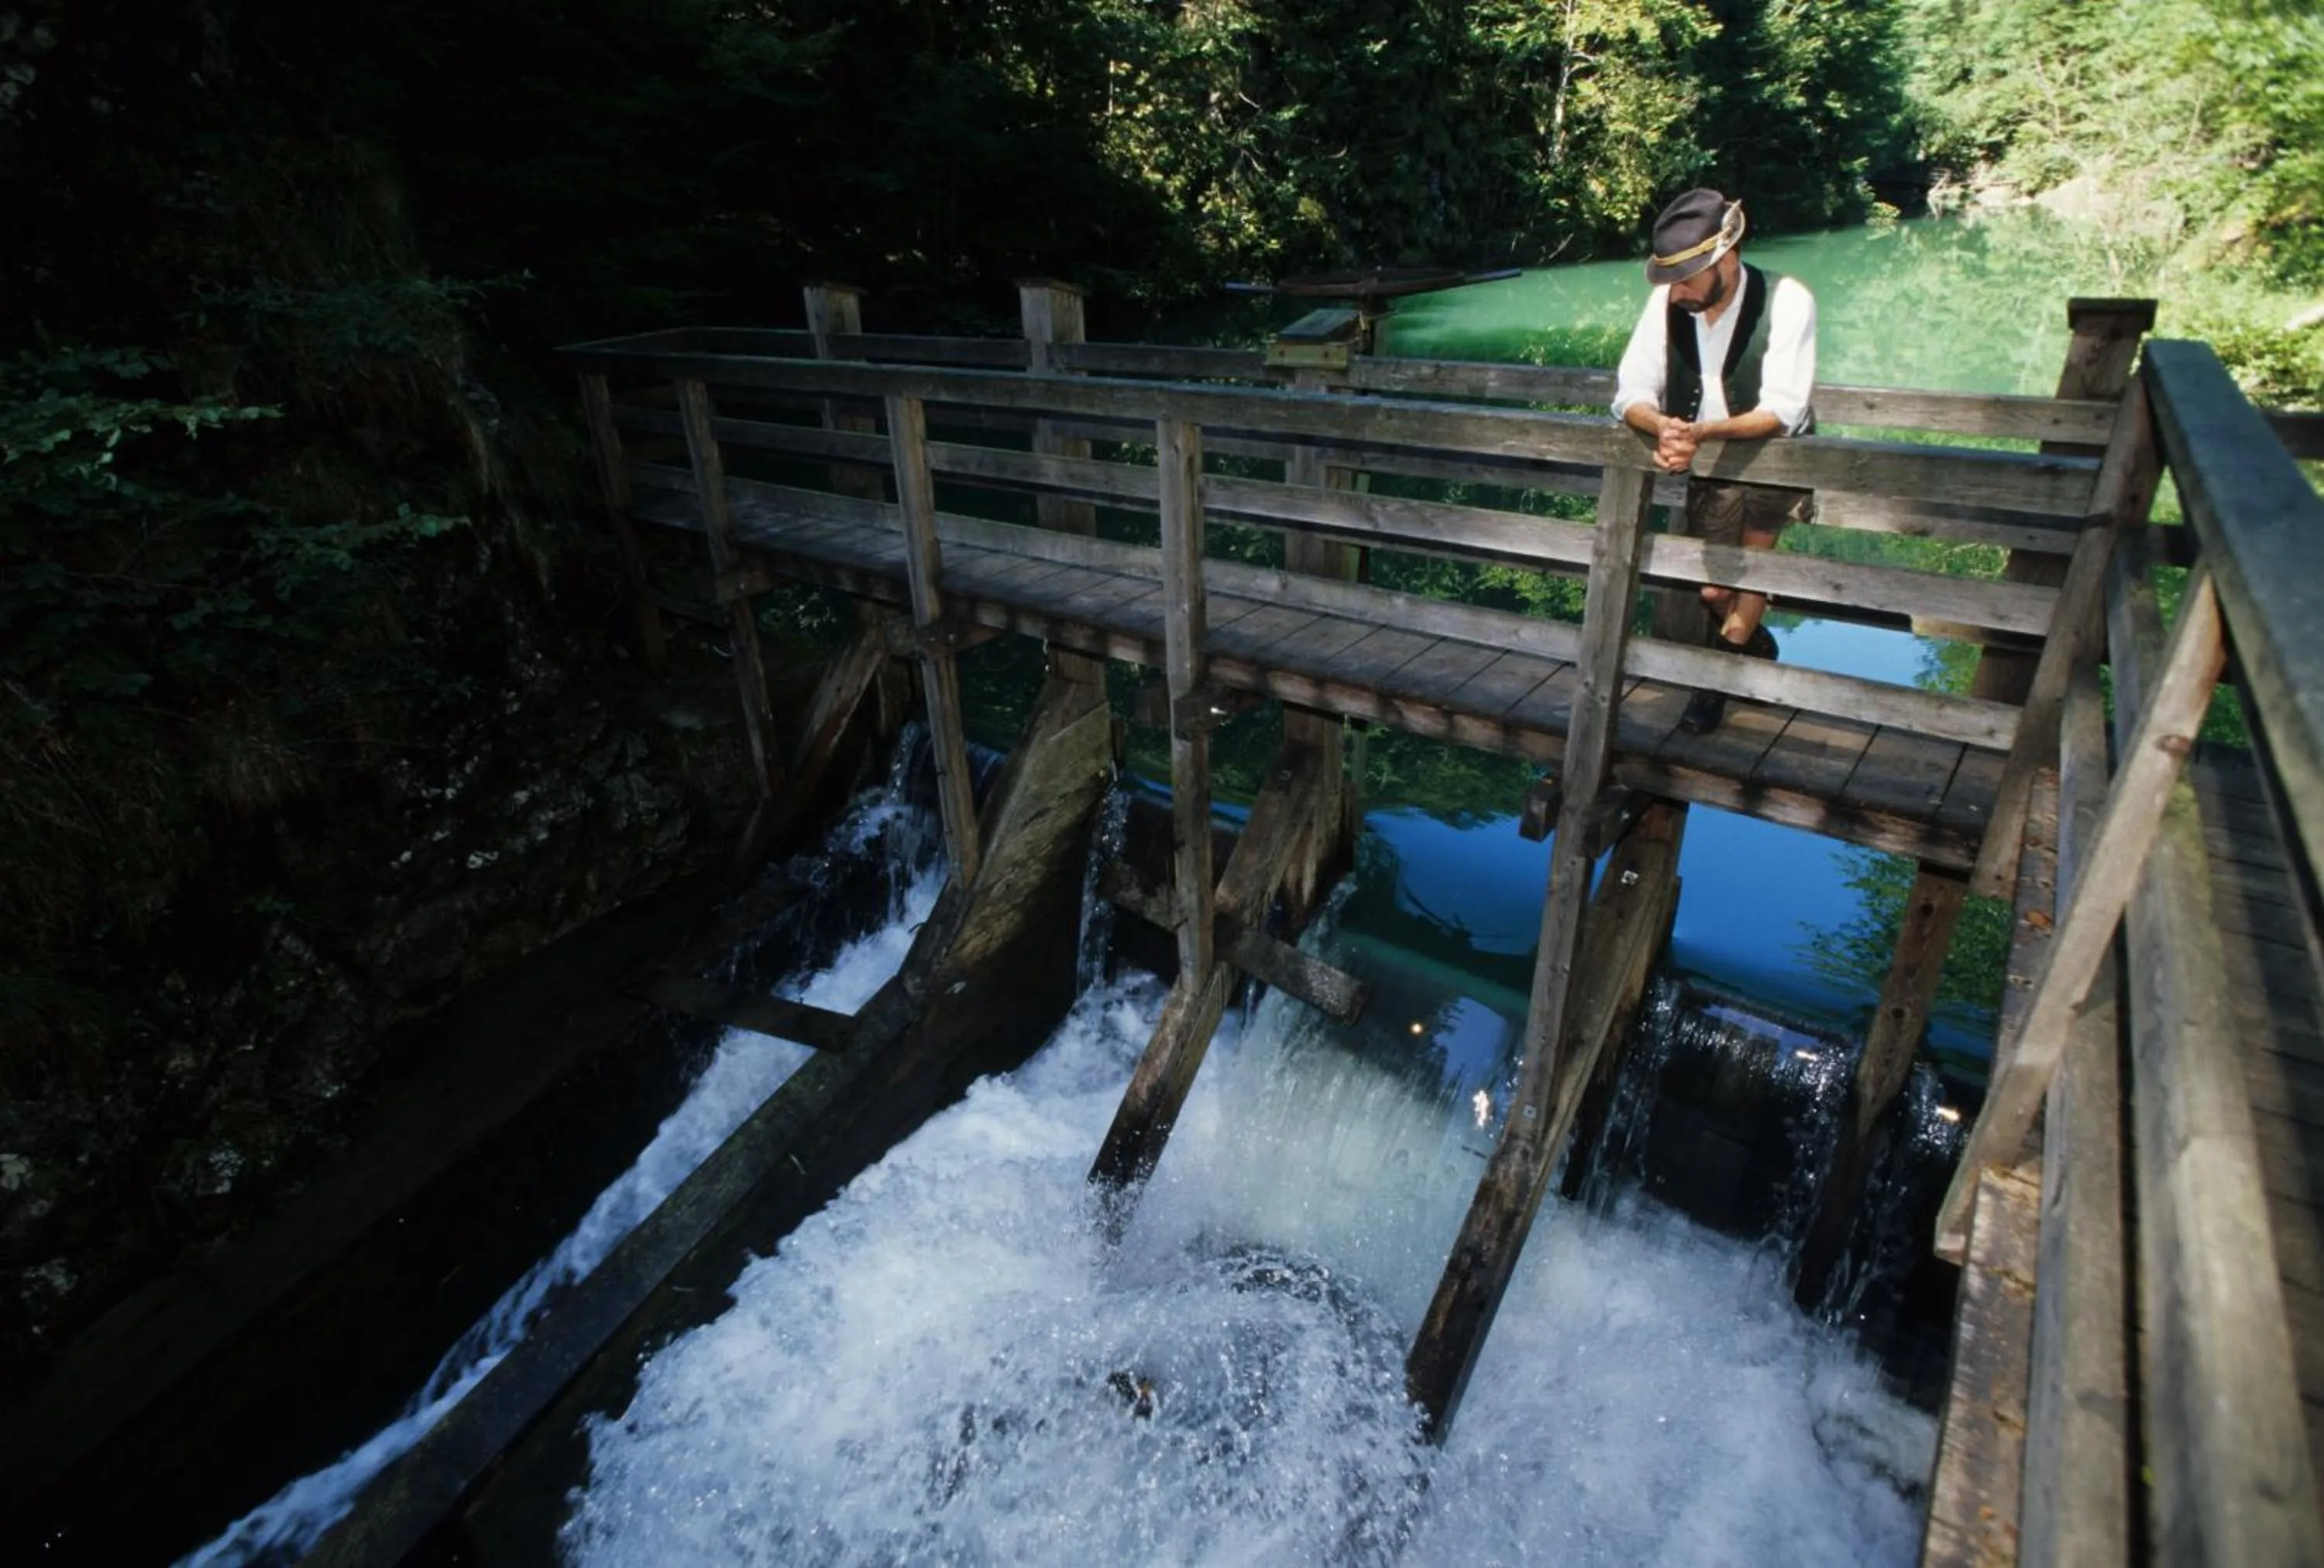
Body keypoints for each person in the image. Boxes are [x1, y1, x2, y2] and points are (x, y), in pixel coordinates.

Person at [1611, 187, 1817, 734]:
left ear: (1726, 259)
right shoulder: (1668, 302)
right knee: (1713, 590)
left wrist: (1699, 432)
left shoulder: (1788, 299)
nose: (1676, 292)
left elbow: (1784, 410)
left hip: (1775, 456)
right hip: (1709, 461)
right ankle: (1752, 641)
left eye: (1688, 278)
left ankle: (1714, 684)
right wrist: (1662, 426)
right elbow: (1630, 389)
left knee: (1751, 569)